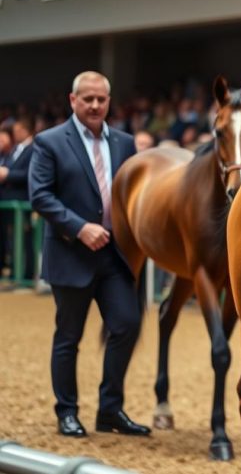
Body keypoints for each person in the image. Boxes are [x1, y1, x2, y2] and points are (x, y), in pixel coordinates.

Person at [29, 71, 150, 438]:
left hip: (114, 255)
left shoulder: (126, 143)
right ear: (73, 100)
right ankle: (67, 412)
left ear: (109, 102)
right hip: (71, 253)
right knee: (69, 337)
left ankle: (109, 410)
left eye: (101, 99)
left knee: (127, 324)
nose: (95, 105)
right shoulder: (49, 142)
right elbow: (40, 195)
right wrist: (79, 227)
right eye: (88, 99)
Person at [0, 118, 37, 281]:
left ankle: (26, 275)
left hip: (22, 202)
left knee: (25, 239)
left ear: (25, 130)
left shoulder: (34, 148)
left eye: (17, 130)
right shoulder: (15, 149)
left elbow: (31, 174)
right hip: (9, 203)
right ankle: (15, 273)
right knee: (13, 239)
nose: (14, 133)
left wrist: (7, 174)